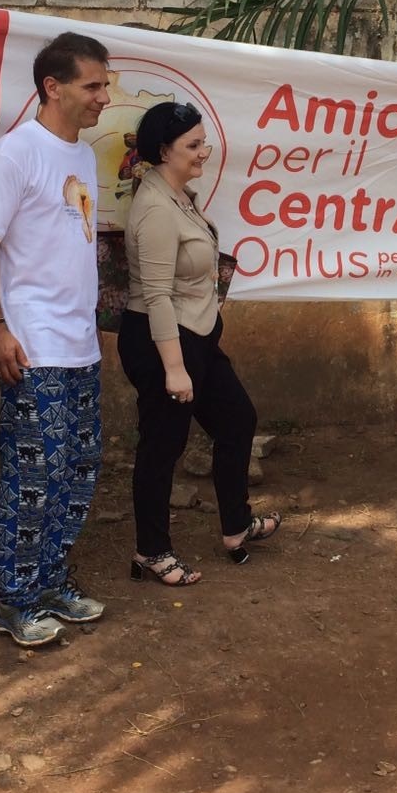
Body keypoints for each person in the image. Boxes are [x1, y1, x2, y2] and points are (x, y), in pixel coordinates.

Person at [0, 33, 112, 648]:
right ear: (52, 87)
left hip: (79, 344)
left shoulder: (84, 157)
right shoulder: (16, 152)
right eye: (92, 86)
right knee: (35, 473)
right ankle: (15, 598)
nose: (103, 97)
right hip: (32, 343)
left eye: (105, 85)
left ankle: (50, 580)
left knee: (77, 468)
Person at [118, 102, 280, 584]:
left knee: (237, 419)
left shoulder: (178, 196)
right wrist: (174, 368)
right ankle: (151, 551)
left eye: (203, 142)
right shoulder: (155, 208)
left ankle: (236, 525)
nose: (203, 152)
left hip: (198, 336)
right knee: (162, 446)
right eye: (193, 145)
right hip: (164, 343)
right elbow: (156, 295)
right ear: (164, 151)